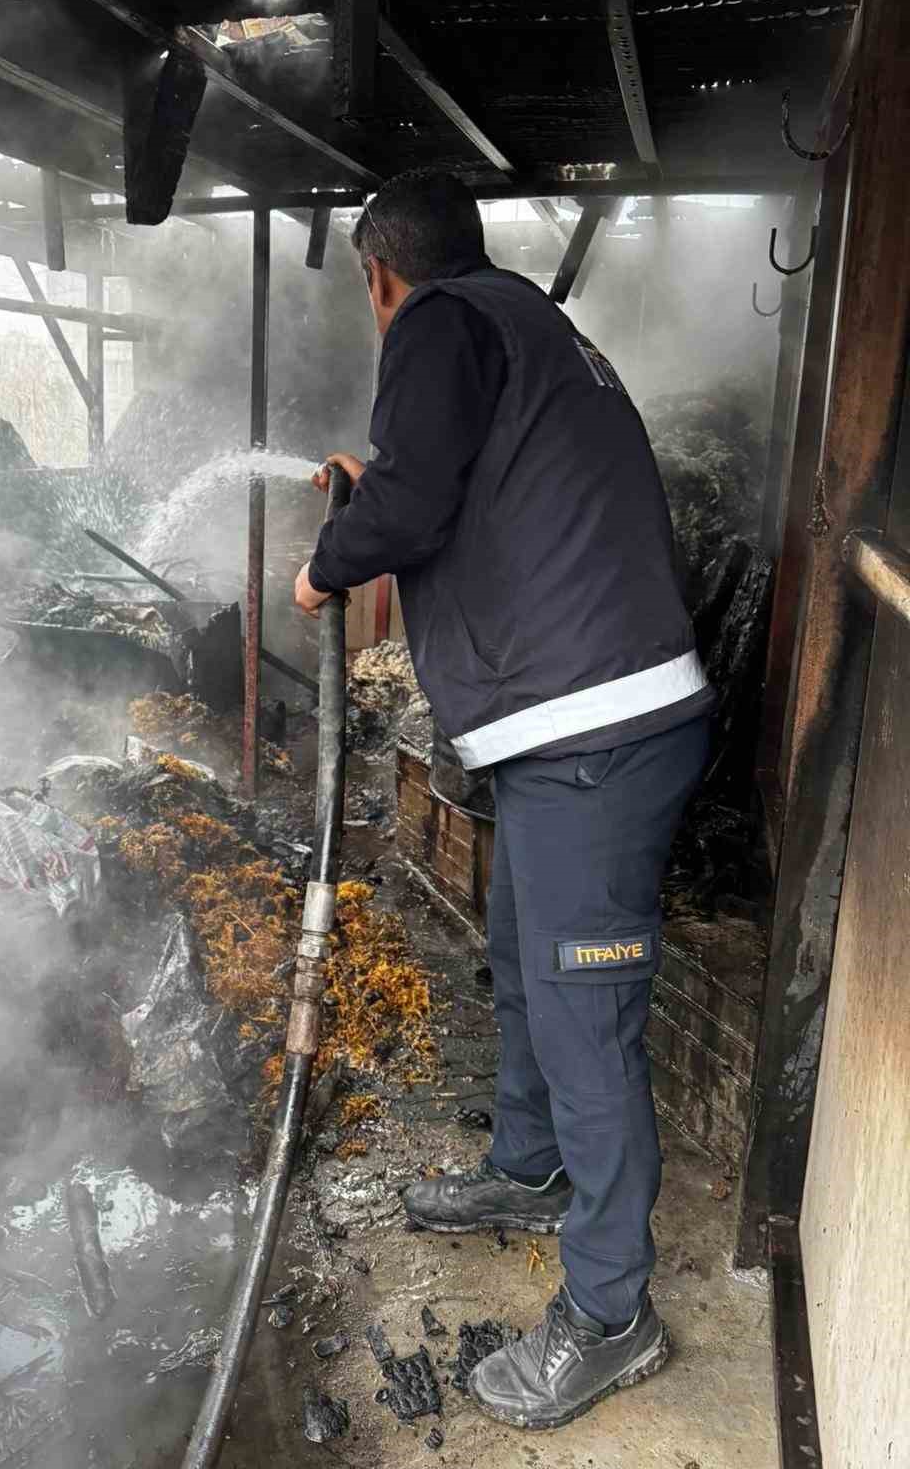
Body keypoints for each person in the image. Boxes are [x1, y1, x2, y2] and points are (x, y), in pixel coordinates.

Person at [293, 169, 713, 1431]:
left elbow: (416, 505)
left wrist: (327, 566)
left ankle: (610, 1313)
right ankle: (530, 1171)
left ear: (379, 273)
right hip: (575, 725)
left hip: (597, 729)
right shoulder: (521, 321)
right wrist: (375, 492)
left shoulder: (436, 323)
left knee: (588, 1027)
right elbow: (447, 485)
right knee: (531, 972)